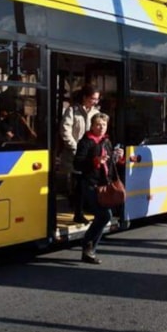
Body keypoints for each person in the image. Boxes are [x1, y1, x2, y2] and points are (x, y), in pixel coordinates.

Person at [73, 113, 123, 264]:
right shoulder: (86, 142)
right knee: (104, 215)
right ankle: (88, 245)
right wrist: (95, 161)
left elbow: (109, 163)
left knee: (104, 217)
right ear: (92, 126)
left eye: (104, 125)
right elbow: (78, 164)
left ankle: (89, 249)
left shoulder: (106, 141)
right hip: (91, 184)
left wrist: (117, 156)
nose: (101, 128)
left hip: (104, 185)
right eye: (98, 125)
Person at [60, 85, 101, 224]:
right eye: (92, 98)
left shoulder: (96, 112)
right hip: (74, 155)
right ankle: (78, 212)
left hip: (90, 156)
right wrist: (76, 148)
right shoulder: (72, 111)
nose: (95, 101)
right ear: (85, 97)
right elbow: (65, 131)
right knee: (78, 184)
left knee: (87, 184)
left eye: (97, 99)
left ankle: (84, 209)